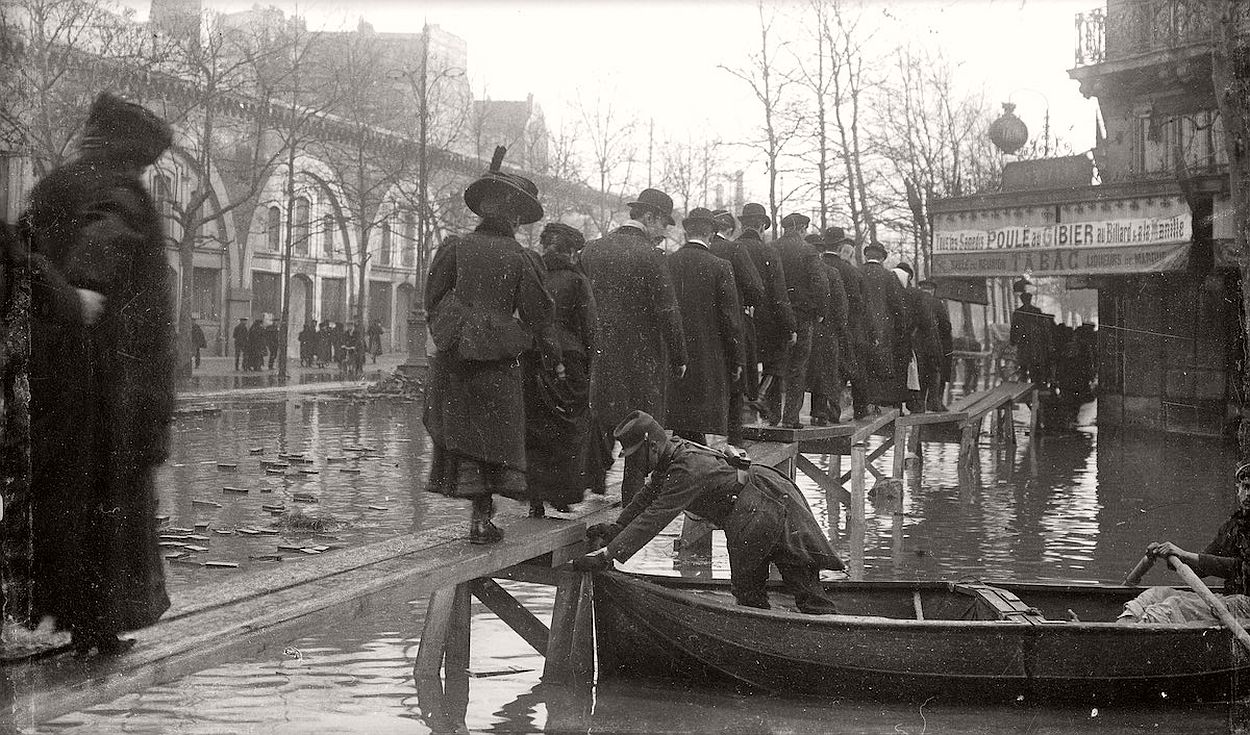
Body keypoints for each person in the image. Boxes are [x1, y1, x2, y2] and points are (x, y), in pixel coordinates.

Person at [24, 92, 176, 656]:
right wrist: (87, 285)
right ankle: (97, 625)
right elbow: (102, 245)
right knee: (110, 498)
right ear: (134, 153)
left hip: (49, 370)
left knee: (58, 495)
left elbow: (21, 258)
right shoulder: (121, 191)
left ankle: (55, 614)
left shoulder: (51, 185)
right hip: (110, 375)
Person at [574, 411, 844, 615]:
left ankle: (813, 637)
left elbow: (655, 516)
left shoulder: (686, 469)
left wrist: (608, 554)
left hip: (762, 504)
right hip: (761, 501)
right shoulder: (673, 453)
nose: (633, 463)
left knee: (781, 586)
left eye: (636, 456)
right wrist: (616, 530)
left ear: (653, 447)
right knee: (770, 587)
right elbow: (647, 497)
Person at [423, 146, 554, 544]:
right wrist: (514, 334)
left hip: (457, 358)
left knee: (462, 434)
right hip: (499, 361)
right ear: (515, 217)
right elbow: (538, 314)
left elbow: (432, 298)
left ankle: (477, 519)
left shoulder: (455, 248)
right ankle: (483, 519)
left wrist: (458, 325)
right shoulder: (523, 258)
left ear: (482, 209)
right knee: (495, 438)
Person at [579, 187, 687, 504]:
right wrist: (679, 355)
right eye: (663, 224)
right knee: (639, 424)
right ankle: (632, 494)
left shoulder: (592, 250)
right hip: (643, 358)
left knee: (600, 414)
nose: (664, 233)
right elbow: (668, 311)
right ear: (649, 217)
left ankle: (594, 483)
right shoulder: (651, 257)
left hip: (599, 353)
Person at [524, 222, 597, 517]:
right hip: (570, 359)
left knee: (535, 426)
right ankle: (563, 494)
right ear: (571, 251)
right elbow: (590, 327)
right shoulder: (578, 281)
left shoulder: (533, 275)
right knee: (569, 426)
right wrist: (593, 363)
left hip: (532, 355)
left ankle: (535, 499)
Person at [1118, 462, 1250, 624]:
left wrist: (1185, 554)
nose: (1248, 494)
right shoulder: (1233, 526)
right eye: (1245, 487)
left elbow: (1241, 569)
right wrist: (1171, 555)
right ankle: (1116, 633)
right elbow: (1202, 567)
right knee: (1153, 595)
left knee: (1172, 606)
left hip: (1246, 605)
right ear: (1238, 490)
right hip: (1231, 600)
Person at [664, 207, 744, 445]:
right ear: (711, 234)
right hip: (710, 358)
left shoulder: (668, 263)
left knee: (680, 421)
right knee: (697, 423)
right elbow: (730, 319)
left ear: (687, 231)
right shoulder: (720, 266)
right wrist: (736, 359)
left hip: (675, 357)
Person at [709, 209, 764, 447]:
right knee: (735, 380)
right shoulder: (734, 249)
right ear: (730, 230)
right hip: (731, 323)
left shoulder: (700, 249)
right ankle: (734, 441)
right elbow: (755, 288)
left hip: (702, 328)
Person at [767, 213, 827, 428]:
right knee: (797, 366)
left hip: (775, 315)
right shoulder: (809, 250)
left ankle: (771, 416)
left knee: (773, 363)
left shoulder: (771, 247)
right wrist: (820, 310)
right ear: (802, 229)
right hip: (802, 315)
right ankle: (790, 418)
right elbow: (820, 282)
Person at [736, 202, 794, 424]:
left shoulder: (733, 248)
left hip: (742, 318)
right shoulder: (768, 251)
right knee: (777, 361)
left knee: (743, 361)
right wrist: (789, 326)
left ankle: (744, 407)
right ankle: (760, 397)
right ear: (761, 226)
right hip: (768, 321)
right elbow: (779, 293)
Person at [806, 231, 852, 426]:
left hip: (808, 328)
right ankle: (828, 413)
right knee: (829, 372)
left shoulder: (803, 272)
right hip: (829, 329)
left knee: (810, 371)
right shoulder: (832, 272)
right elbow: (841, 305)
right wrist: (841, 329)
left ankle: (814, 412)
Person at [824, 227, 868, 418]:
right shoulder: (852, 272)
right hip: (848, 328)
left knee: (828, 368)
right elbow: (860, 304)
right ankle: (858, 409)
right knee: (851, 368)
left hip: (823, 325)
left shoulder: (819, 265)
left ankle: (826, 411)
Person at [858, 241, 907, 408]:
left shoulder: (858, 272)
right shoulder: (888, 276)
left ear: (866, 256)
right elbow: (897, 307)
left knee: (860, 366)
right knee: (878, 368)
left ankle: (861, 405)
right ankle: (874, 404)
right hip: (882, 331)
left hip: (859, 329)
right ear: (883, 258)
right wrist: (900, 329)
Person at [917, 279, 953, 411]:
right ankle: (935, 403)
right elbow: (945, 326)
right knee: (935, 374)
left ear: (920, 289)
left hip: (917, 347)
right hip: (933, 347)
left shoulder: (915, 301)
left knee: (920, 377)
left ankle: (919, 406)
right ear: (932, 290)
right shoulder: (937, 303)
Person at [1010, 291, 1054, 388]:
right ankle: (1030, 386)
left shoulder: (1019, 312)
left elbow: (1014, 328)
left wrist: (1013, 340)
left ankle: (1029, 386)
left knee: (1029, 365)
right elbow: (1014, 328)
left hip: (1031, 343)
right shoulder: (1034, 311)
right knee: (1028, 365)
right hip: (1030, 343)